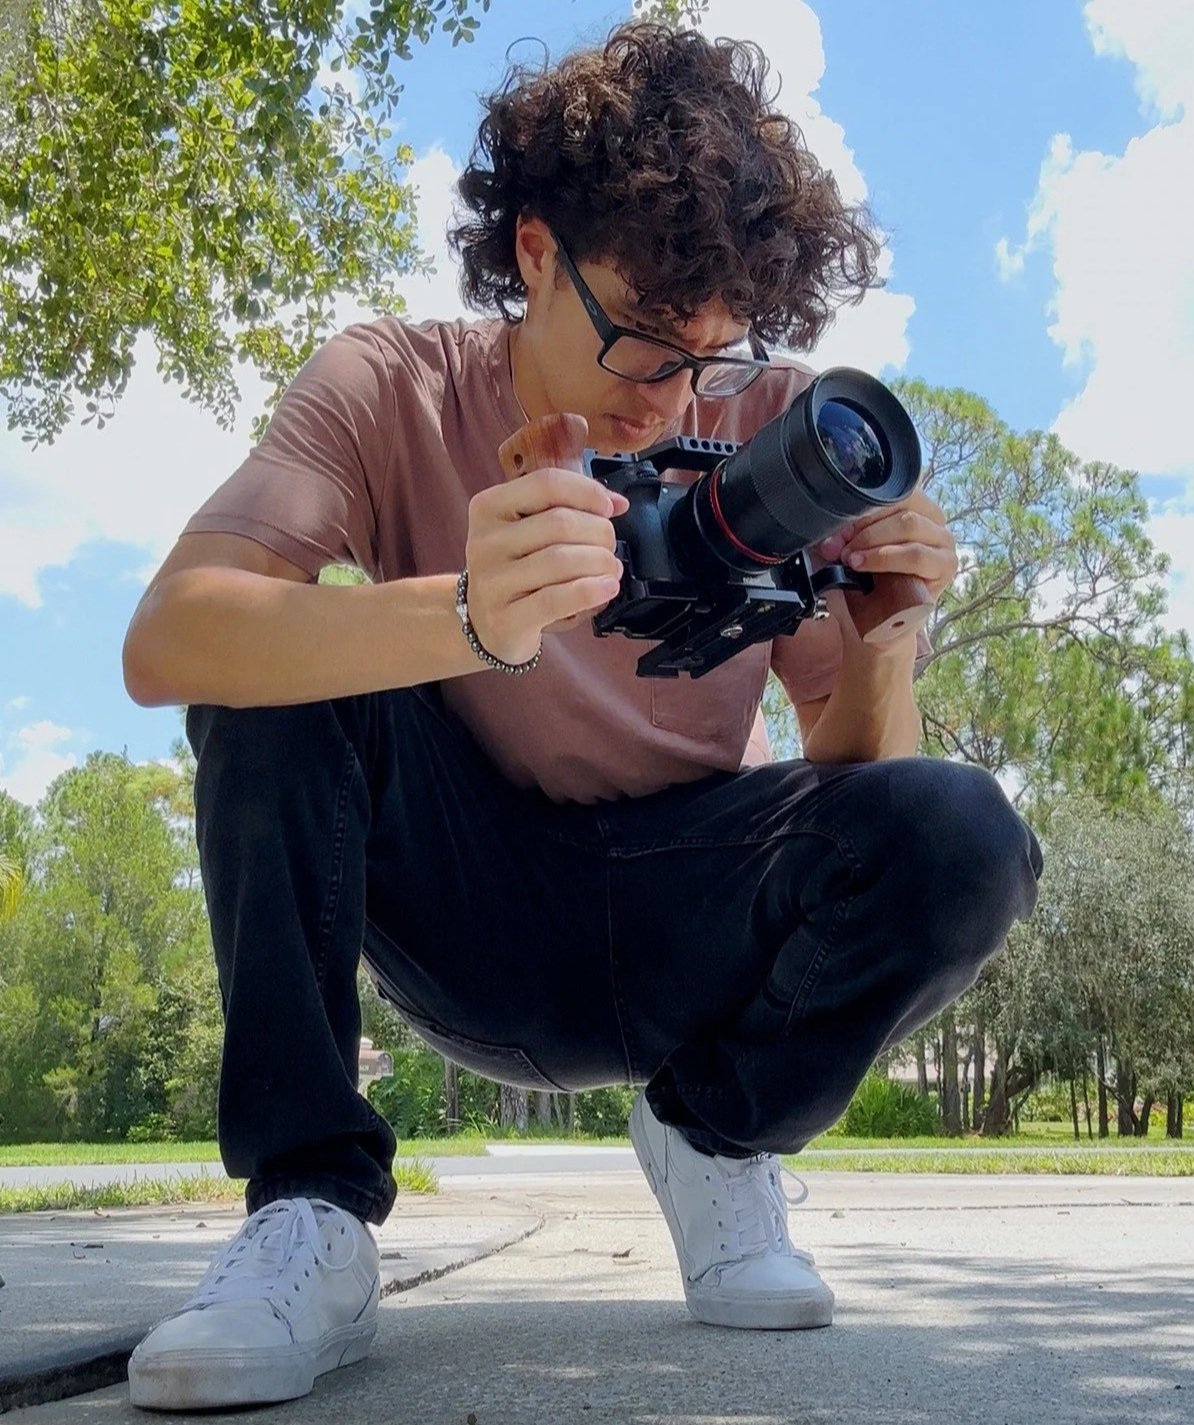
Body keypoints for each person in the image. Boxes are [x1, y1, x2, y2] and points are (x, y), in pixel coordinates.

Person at [120, 21, 1042, 1413]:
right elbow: (169, 633)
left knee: (964, 829)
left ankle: (716, 1138)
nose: (672, 395)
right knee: (269, 676)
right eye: (642, 339)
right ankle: (306, 1212)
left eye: (712, 354)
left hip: (688, 920)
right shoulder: (389, 384)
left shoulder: (774, 427)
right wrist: (467, 620)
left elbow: (866, 807)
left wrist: (887, 636)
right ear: (538, 253)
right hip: (467, 910)